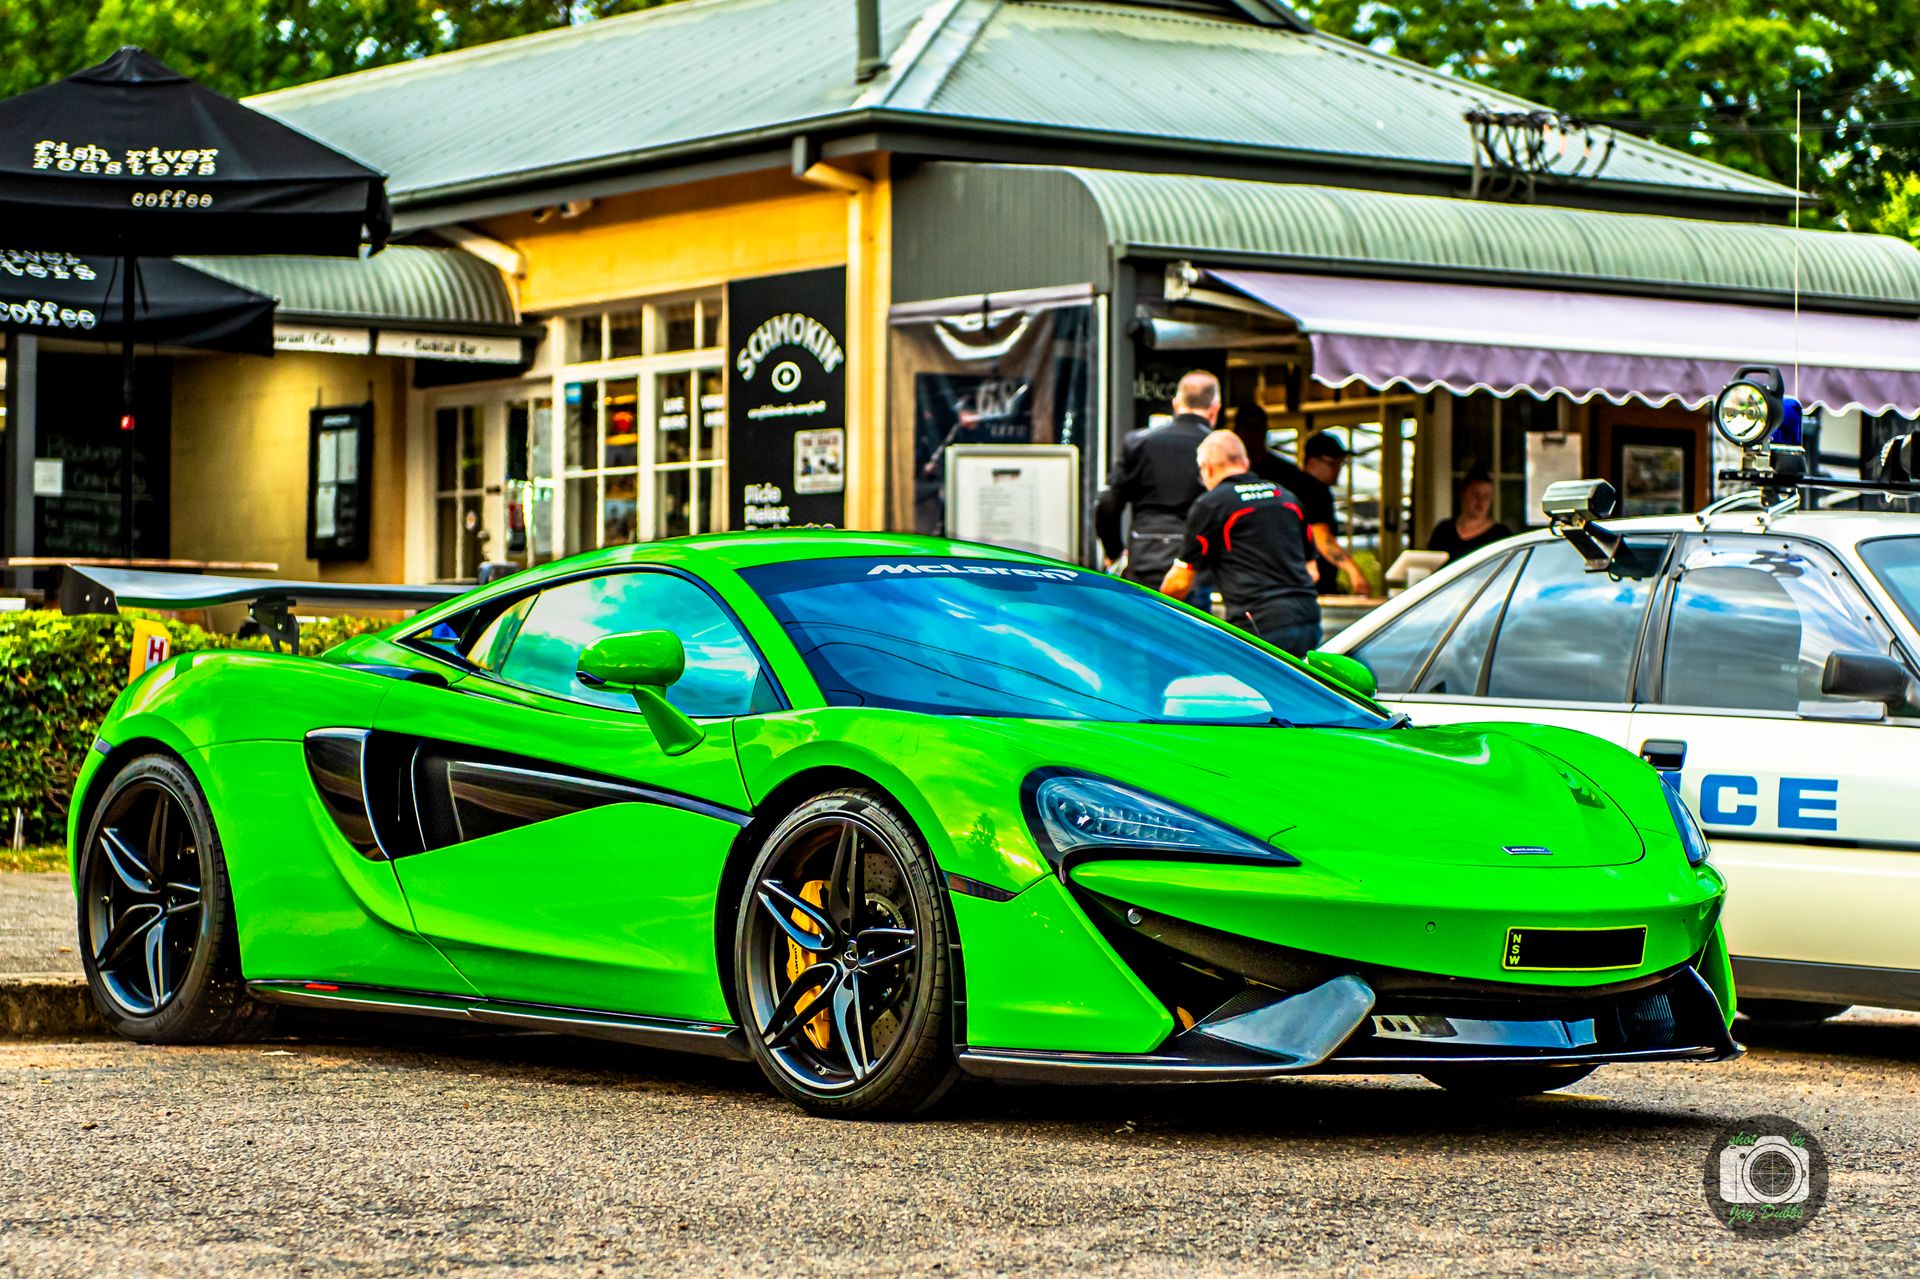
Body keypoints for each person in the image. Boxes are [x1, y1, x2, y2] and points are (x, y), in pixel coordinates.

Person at [1160, 430, 1322, 656]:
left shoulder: (1212, 504)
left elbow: (1179, 582)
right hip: (1308, 620)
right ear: (1245, 462)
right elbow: (1312, 572)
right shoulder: (1286, 497)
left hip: (1259, 626)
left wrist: (1154, 611)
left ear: (1206, 468)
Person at [1095, 371, 1220, 593]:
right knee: (1191, 627)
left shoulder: (1138, 442)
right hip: (1194, 565)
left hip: (1143, 559)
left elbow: (1108, 504)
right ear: (1215, 408)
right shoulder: (1217, 448)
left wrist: (1114, 552)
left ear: (1175, 403)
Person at [1246, 423, 1371, 599]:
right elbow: (1321, 537)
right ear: (1313, 461)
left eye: (1340, 463)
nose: (1337, 469)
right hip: (1311, 586)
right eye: (1332, 463)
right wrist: (1353, 571)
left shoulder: (1287, 488)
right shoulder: (1314, 491)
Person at [1427, 465, 1512, 563]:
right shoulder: (1443, 531)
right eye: (1476, 494)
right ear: (1463, 494)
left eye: (1486, 496)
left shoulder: (1500, 534)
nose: (1481, 501)